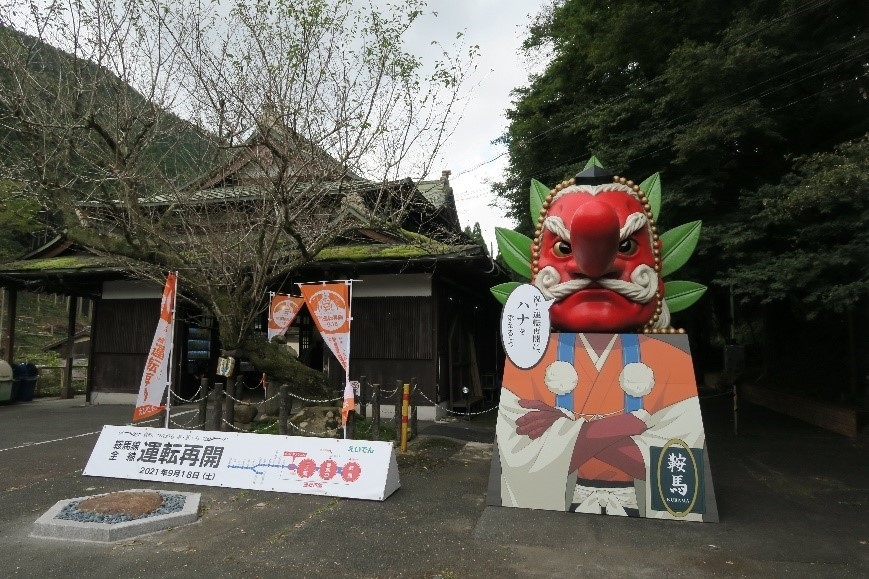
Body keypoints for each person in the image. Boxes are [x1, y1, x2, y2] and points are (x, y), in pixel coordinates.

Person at [492, 173, 712, 520]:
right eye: (564, 248)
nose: (590, 266)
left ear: (656, 267)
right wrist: (632, 423)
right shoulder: (528, 358)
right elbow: (520, 458)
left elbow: (675, 465)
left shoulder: (668, 359)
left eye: (625, 246)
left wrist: (565, 431)